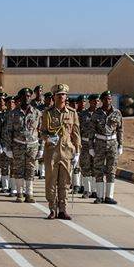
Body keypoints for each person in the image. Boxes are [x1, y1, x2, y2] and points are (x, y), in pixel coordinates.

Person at [39, 84, 80, 220]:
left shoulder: (72, 113)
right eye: (59, 95)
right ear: (54, 97)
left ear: (66, 96)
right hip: (52, 152)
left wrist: (77, 152)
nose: (61, 96)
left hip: (67, 151)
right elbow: (42, 132)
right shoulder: (47, 113)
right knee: (51, 181)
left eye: (63, 94)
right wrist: (48, 138)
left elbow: (76, 133)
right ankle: (52, 209)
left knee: (65, 182)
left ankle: (63, 209)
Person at [5, 87, 42, 203]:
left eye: (28, 96)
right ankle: (19, 193)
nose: (26, 98)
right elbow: (8, 131)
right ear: (20, 98)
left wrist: (41, 148)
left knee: (31, 169)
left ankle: (29, 193)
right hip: (18, 145)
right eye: (24, 96)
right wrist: (8, 148)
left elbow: (41, 131)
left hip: (32, 145)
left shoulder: (37, 113)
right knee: (18, 169)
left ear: (31, 97)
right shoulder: (13, 114)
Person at [90, 90, 124, 204]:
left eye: (109, 99)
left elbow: (120, 130)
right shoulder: (96, 113)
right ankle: (99, 196)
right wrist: (91, 147)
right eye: (105, 99)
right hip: (100, 143)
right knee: (98, 169)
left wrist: (120, 145)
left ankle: (109, 196)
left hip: (113, 143)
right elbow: (91, 131)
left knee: (111, 169)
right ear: (101, 100)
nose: (108, 101)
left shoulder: (117, 113)